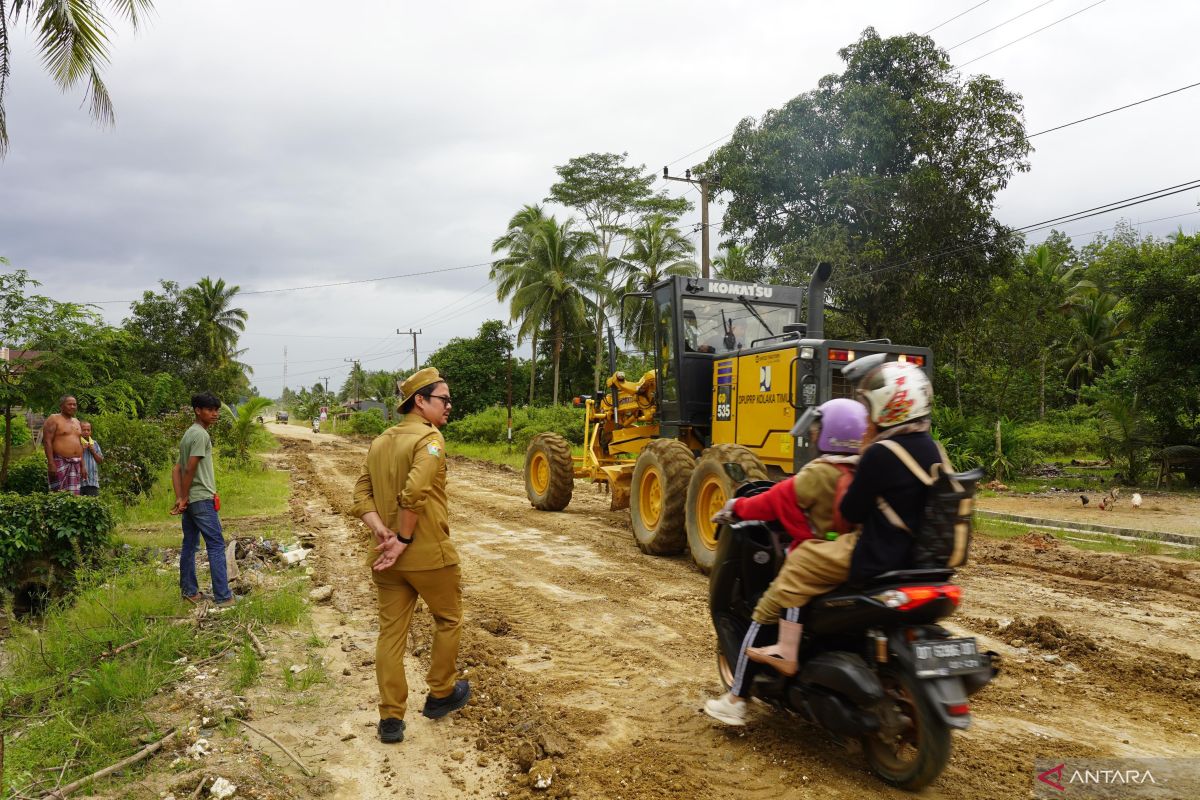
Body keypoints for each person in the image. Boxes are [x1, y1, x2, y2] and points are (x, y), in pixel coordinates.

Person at [704, 398, 868, 725]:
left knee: (764, 611)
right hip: (851, 563)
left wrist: (735, 508)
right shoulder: (862, 472)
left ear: (829, 435)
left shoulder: (818, 475)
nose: (814, 433)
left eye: (818, 428)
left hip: (813, 563)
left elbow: (772, 501)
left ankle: (736, 699)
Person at [351, 367, 469, 744]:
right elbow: (415, 492)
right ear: (420, 401)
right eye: (443, 399)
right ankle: (440, 694)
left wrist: (380, 531)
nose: (449, 406)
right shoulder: (430, 439)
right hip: (427, 553)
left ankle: (390, 719)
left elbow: (361, 494)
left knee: (390, 636)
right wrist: (402, 537)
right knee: (448, 619)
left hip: (385, 556)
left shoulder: (381, 440)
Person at [170, 392, 235, 608]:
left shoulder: (188, 434)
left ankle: (190, 592)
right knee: (216, 545)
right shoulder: (201, 435)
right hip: (201, 499)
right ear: (198, 410)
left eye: (216, 409)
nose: (215, 414)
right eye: (210, 409)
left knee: (189, 545)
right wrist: (185, 496)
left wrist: (181, 497)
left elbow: (176, 469)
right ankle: (223, 596)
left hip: (190, 500)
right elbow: (189, 468)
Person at [42, 395, 87, 494]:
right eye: (69, 404)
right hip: (60, 461)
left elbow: (80, 445)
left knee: (74, 497)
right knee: (58, 495)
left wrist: (83, 466)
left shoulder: (77, 422)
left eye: (74, 405)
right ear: (61, 406)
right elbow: (47, 441)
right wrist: (51, 463)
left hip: (76, 463)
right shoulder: (54, 418)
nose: (72, 407)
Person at [79, 421, 104, 497]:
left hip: (92, 482)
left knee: (93, 506)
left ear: (91, 431)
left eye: (88, 430)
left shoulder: (94, 443)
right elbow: (71, 458)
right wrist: (81, 450)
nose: (86, 432)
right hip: (78, 482)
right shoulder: (76, 443)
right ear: (79, 431)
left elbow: (100, 461)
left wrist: (93, 451)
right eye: (83, 430)